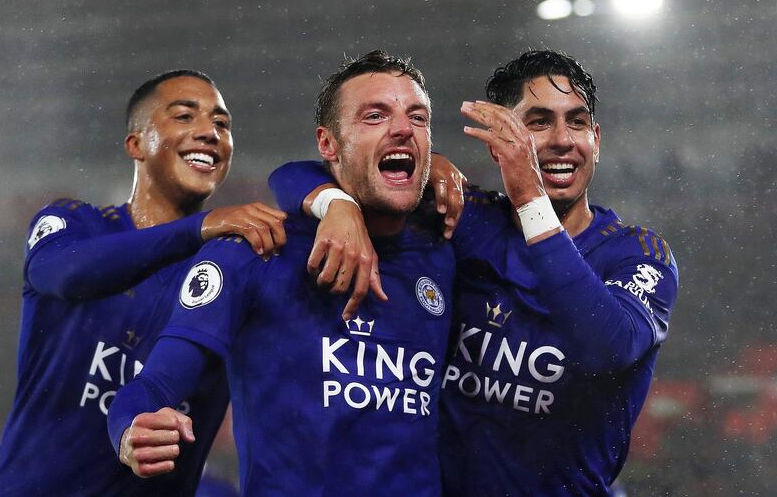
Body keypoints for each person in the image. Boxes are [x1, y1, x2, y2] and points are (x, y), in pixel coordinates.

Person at [269, 50, 679, 496]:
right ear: (497, 142)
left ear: (596, 139)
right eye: (538, 123)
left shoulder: (637, 254)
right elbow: (294, 175)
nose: (563, 139)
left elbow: (605, 348)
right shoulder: (467, 220)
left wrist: (529, 198)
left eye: (577, 122)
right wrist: (338, 204)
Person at [107, 51, 456, 495]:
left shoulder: (446, 248)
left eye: (418, 118)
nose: (403, 129)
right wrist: (131, 428)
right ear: (328, 145)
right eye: (374, 116)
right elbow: (153, 386)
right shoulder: (255, 254)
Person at [0, 70, 286, 496]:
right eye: (184, 116)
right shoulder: (75, 223)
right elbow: (66, 272)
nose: (209, 132)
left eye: (222, 124)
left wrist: (332, 202)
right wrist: (197, 228)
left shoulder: (234, 272)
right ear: (136, 143)